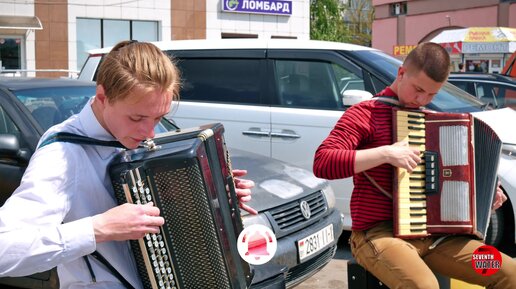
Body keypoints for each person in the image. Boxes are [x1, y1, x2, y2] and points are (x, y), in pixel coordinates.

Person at [0, 40, 257, 288]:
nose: (150, 133)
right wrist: (98, 228)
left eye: (159, 118)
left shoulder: (129, 135)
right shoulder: (62, 156)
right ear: (102, 96)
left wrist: (212, 195)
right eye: (137, 118)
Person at [313, 42, 516, 289]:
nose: (422, 99)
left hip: (438, 239)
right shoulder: (365, 114)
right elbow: (323, 162)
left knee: (509, 271)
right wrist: (385, 153)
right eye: (418, 89)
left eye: (432, 94)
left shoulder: (436, 126)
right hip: (378, 234)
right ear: (401, 74)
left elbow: (452, 181)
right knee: (424, 286)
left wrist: (483, 198)